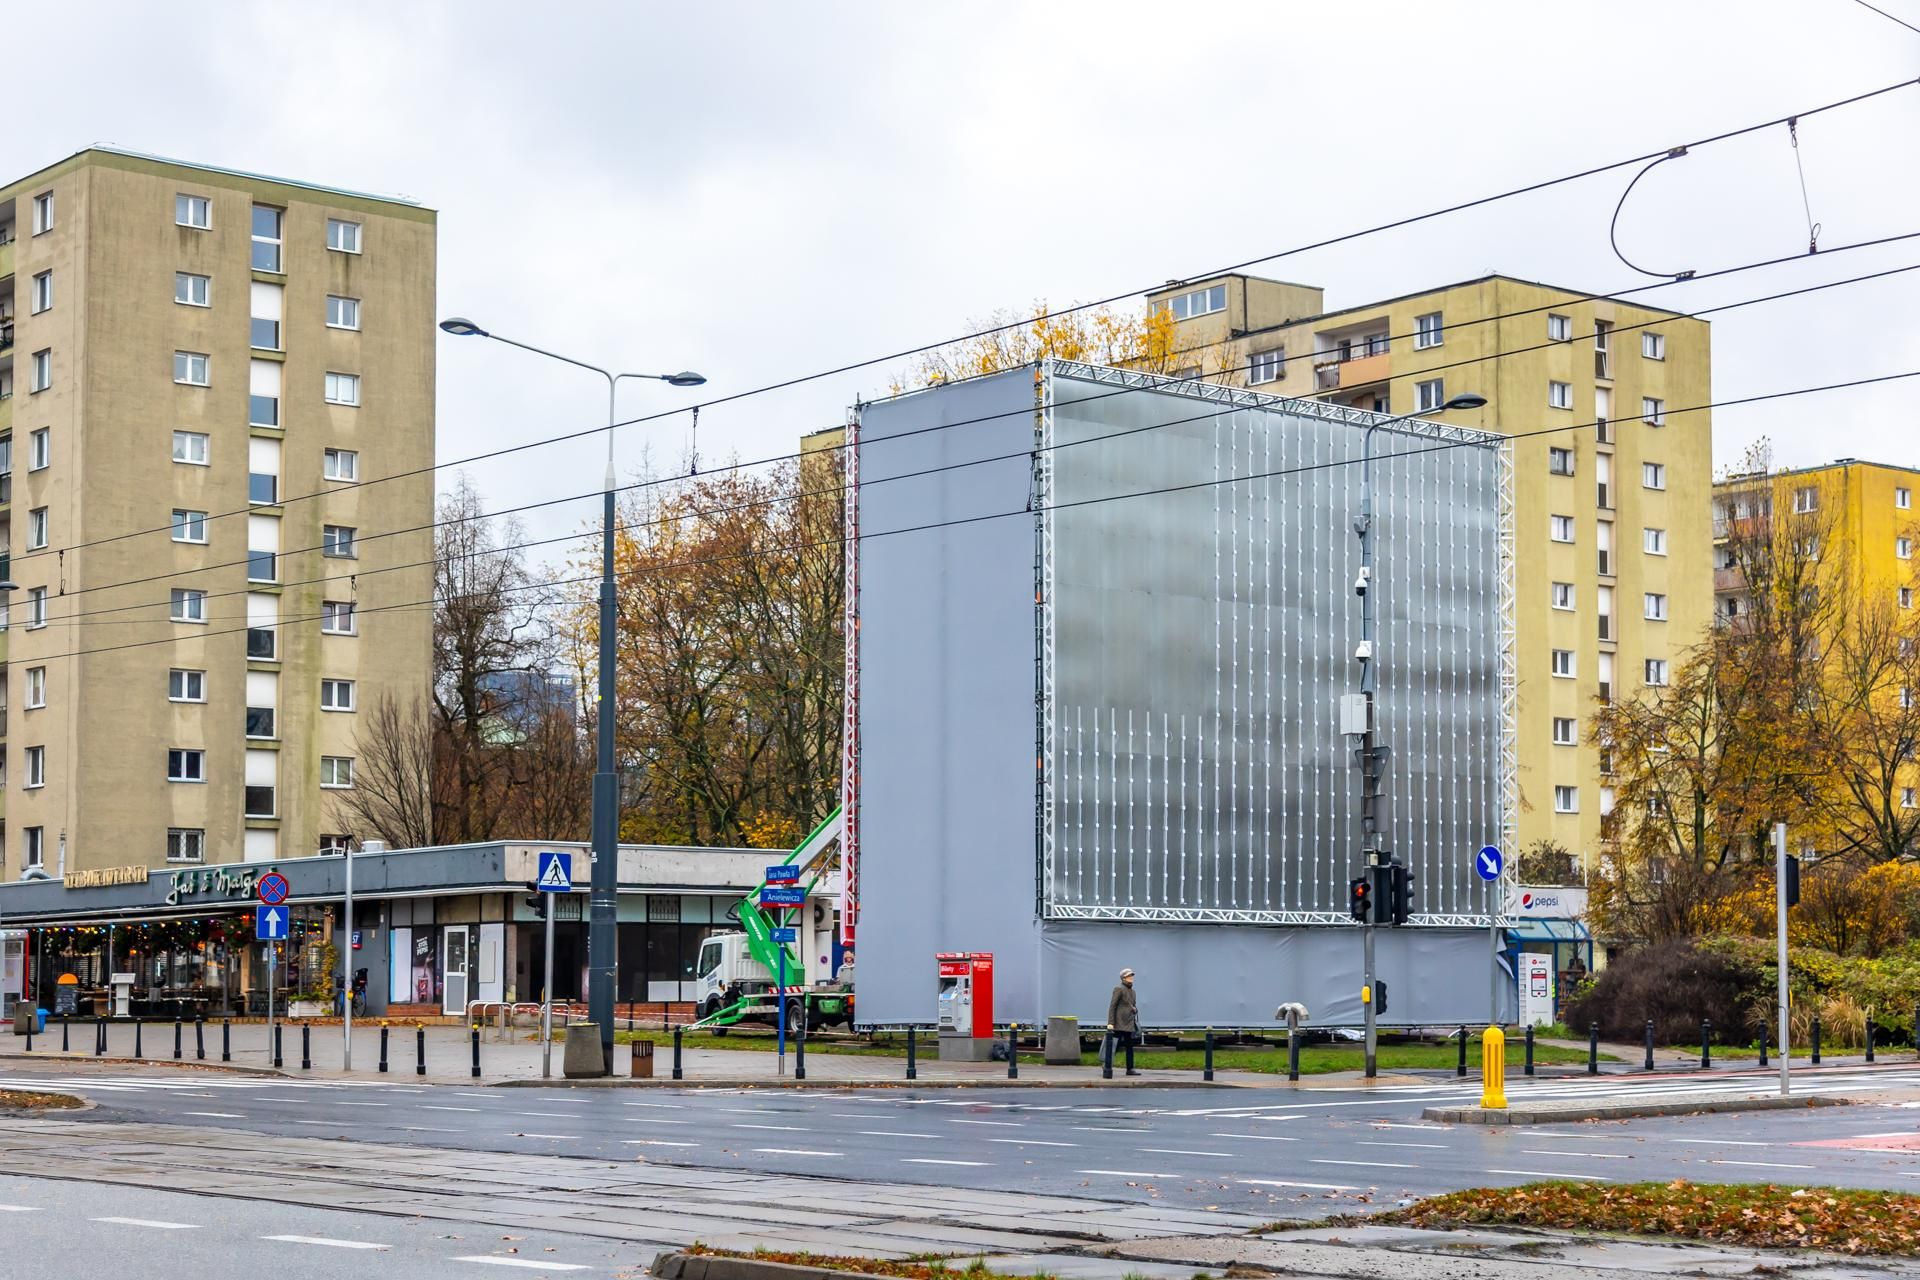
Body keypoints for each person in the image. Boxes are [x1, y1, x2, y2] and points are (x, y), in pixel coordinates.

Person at [1107, 967, 1140, 1076]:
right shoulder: (1118, 989)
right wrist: (1111, 1022)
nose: (1131, 978)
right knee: (1114, 1046)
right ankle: (1107, 1065)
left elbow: (1133, 1005)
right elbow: (1112, 1006)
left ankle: (1130, 1069)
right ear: (1123, 978)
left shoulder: (1133, 992)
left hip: (1129, 1023)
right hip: (1119, 1023)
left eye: (1132, 976)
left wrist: (1135, 1009)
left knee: (1129, 1047)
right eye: (1129, 976)